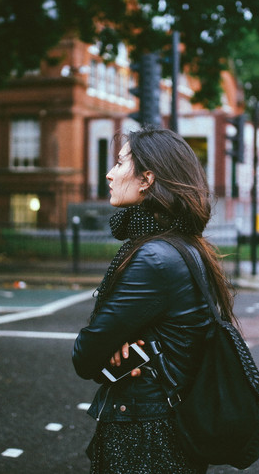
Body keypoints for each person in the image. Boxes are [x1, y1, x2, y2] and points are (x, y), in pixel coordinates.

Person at [72, 128, 237, 473]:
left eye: (119, 163)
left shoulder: (154, 257)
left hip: (146, 436)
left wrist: (114, 343)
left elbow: (85, 356)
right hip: (169, 425)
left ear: (147, 178)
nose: (110, 173)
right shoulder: (185, 245)